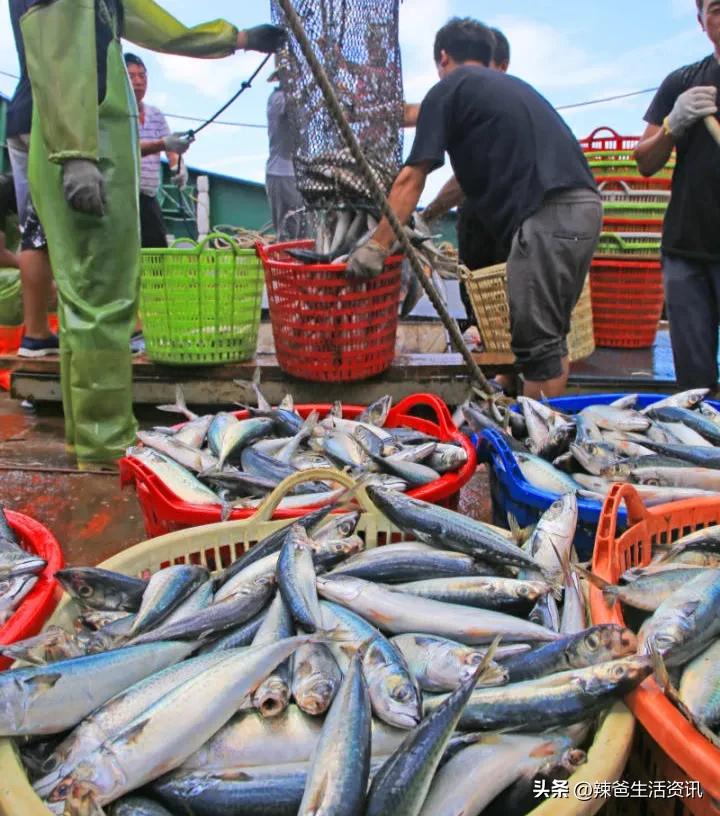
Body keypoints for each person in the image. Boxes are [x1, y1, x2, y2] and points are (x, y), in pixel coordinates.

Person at [14, 0, 284, 469]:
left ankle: (91, 441)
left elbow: (152, 23)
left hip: (87, 132)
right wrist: (76, 151)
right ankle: (108, 446)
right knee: (102, 298)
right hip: (85, 137)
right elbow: (56, 39)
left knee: (88, 298)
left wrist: (238, 39)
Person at [348, 17, 601, 399]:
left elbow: (411, 178)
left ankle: (538, 434)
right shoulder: (504, 90)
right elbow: (456, 177)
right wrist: (429, 214)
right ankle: (523, 408)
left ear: (442, 57)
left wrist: (377, 245)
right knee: (549, 336)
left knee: (539, 347)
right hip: (583, 209)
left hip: (549, 216)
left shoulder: (449, 89)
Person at [634, 0, 720, 391]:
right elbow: (645, 162)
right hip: (686, 249)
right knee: (694, 384)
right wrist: (672, 124)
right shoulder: (682, 82)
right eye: (715, 8)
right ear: (701, 21)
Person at [421, 26, 511, 335]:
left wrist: (426, 214)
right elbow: (420, 113)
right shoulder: (472, 101)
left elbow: (460, 178)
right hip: (476, 221)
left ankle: (493, 350)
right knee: (477, 306)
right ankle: (483, 343)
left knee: (506, 317)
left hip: (508, 225)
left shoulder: (500, 104)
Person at [6, 3, 57, 358]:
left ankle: (36, 333)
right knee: (68, 227)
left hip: (21, 109)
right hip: (52, 110)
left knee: (34, 228)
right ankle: (78, 329)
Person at [125, 52, 191, 249]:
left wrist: (177, 167)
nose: (138, 81)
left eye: (142, 76)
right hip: (122, 198)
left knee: (157, 250)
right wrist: (163, 144)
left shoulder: (156, 114)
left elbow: (171, 151)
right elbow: (128, 149)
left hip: (149, 198)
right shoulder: (116, 115)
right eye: (131, 76)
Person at [266, 73, 305, 241]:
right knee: (285, 229)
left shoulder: (297, 103)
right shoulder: (277, 98)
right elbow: (289, 107)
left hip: (295, 174)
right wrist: (311, 89)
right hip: (279, 173)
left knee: (299, 228)